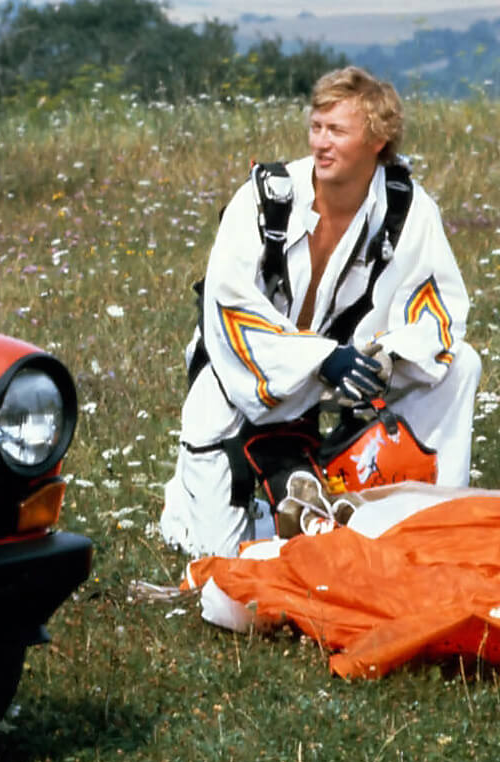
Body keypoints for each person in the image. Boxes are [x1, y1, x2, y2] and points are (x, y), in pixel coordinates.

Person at [159, 66, 481, 557]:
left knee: (461, 364)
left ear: (378, 139)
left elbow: (438, 314)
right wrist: (318, 358)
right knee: (215, 556)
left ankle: (434, 514)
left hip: (349, 369)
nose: (321, 144)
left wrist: (388, 357)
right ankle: (262, 500)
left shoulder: (408, 210)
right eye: (316, 127)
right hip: (244, 371)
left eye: (338, 131)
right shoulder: (264, 200)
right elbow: (227, 308)